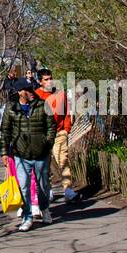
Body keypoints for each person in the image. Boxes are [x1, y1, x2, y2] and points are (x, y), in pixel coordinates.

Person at [0, 81, 56, 231]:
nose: (31, 91)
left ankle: (44, 209)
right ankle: (27, 216)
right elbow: (5, 131)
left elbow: (51, 126)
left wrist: (47, 143)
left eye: (31, 88)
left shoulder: (43, 104)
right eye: (27, 89)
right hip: (20, 154)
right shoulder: (11, 108)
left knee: (43, 185)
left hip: (41, 153)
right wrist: (4, 152)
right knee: (23, 186)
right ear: (19, 92)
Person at [35, 68, 76, 201]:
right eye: (46, 79)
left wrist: (66, 129)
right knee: (47, 163)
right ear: (40, 81)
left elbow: (66, 112)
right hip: (44, 135)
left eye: (51, 78)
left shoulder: (60, 94)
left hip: (59, 133)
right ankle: (49, 189)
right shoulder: (36, 95)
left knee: (63, 160)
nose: (50, 81)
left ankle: (68, 189)